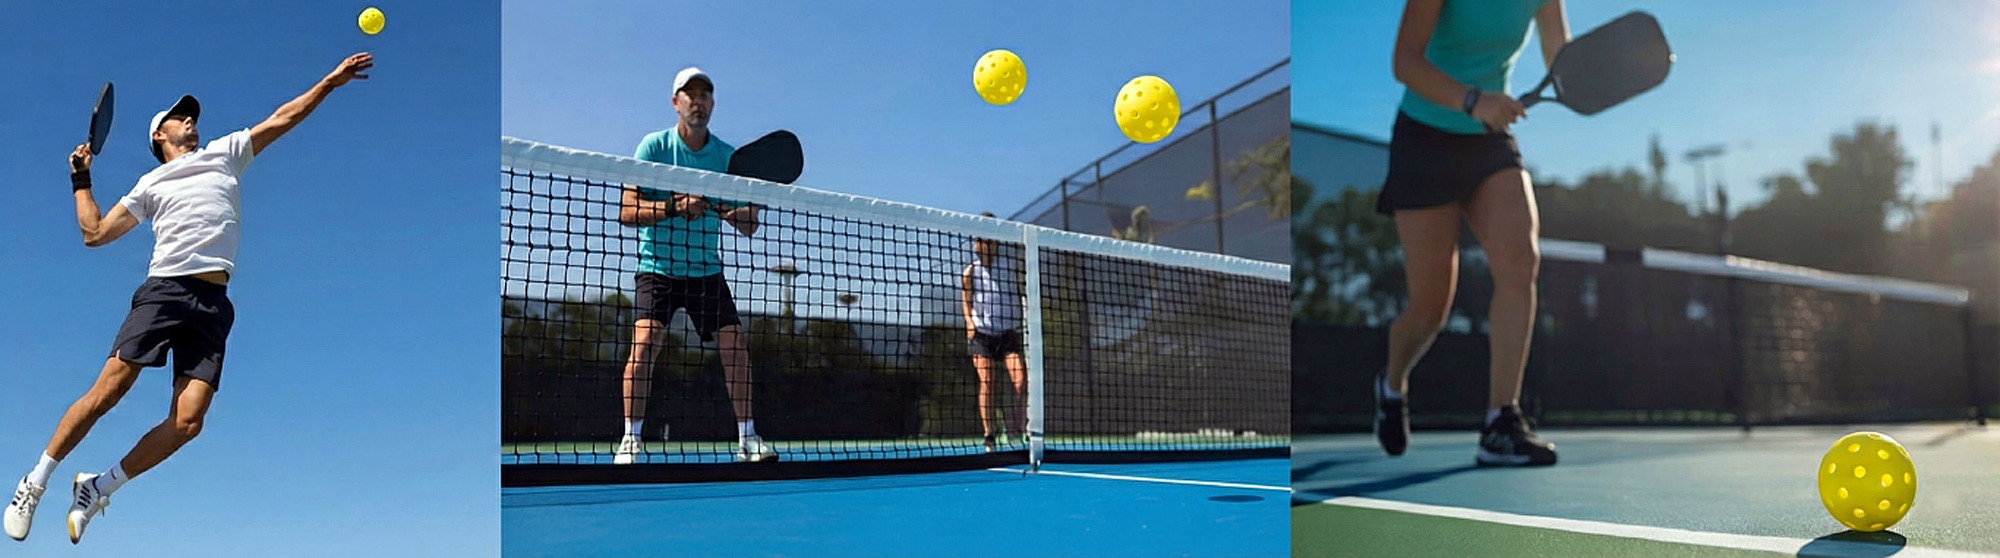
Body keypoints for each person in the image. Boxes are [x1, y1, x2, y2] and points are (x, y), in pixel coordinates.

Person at [4, 53, 374, 544]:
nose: (190, 121)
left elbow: (284, 117)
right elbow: (94, 233)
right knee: (109, 389)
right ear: (160, 135)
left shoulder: (226, 153)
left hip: (214, 304)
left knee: (188, 422)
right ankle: (34, 482)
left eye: (192, 115)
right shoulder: (151, 182)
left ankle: (96, 488)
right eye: (180, 116)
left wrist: (330, 82)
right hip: (166, 290)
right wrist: (81, 179)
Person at [1374, 0, 1568, 466]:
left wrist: (1606, 73)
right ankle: (1391, 384)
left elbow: (1565, 61)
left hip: (1488, 141)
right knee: (1428, 310)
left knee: (1521, 263)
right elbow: (1404, 61)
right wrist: (1472, 100)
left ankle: (1501, 422)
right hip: (1425, 137)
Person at [614, 67, 777, 465]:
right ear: (676, 102)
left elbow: (750, 222)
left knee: (734, 346)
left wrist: (718, 204)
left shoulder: (726, 157)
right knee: (645, 344)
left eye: (705, 94)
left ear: (712, 104)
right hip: (658, 269)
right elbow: (626, 211)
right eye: (690, 94)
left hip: (705, 271)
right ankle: (631, 439)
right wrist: (673, 206)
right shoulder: (652, 148)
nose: (698, 101)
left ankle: (748, 438)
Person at [960, 213, 1028, 453]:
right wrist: (970, 322)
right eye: (979, 239)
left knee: (1020, 382)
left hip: (1007, 334)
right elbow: (966, 300)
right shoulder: (971, 272)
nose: (983, 244)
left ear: (996, 240)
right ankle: (990, 435)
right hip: (982, 336)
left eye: (988, 238)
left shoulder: (1010, 266)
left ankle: (1015, 429)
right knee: (987, 381)